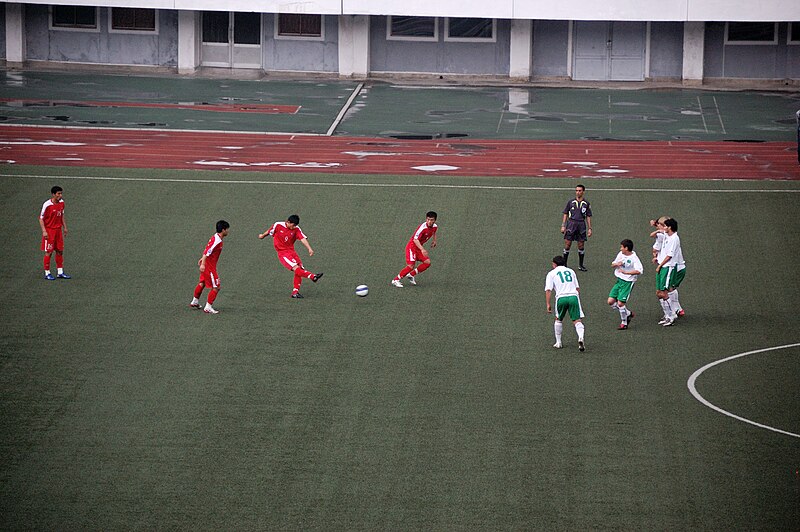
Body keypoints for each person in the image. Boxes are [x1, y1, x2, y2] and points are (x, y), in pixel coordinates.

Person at [259, 214, 322, 299]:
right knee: (296, 268)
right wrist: (262, 235)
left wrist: (309, 248)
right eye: (293, 225)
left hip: (292, 251)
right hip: (283, 253)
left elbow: (303, 238)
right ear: (288, 222)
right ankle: (312, 276)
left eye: (295, 225)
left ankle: (295, 292)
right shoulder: (278, 225)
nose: (294, 227)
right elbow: (269, 231)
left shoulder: (296, 229)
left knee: (300, 269)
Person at [545, 255, 586, 351]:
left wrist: (548, 304)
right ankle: (580, 337)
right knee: (577, 320)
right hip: (573, 296)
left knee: (558, 319)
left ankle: (558, 342)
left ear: (554, 264)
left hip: (561, 298)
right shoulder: (571, 271)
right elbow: (577, 288)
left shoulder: (551, 273)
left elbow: (548, 290)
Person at [190, 220, 230, 314]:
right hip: (209, 267)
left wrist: (202, 259)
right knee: (216, 286)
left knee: (202, 282)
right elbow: (208, 250)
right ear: (223, 230)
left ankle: (195, 301)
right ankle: (208, 307)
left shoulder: (215, 237)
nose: (228, 231)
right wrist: (203, 263)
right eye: (227, 229)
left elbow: (207, 249)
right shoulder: (217, 240)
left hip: (207, 264)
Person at [391, 211, 438, 288]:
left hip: (418, 248)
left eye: (431, 220)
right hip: (412, 247)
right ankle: (395, 280)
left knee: (427, 263)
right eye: (428, 219)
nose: (429, 221)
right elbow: (415, 240)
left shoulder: (435, 226)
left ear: (435, 220)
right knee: (410, 266)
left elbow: (434, 232)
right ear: (426, 219)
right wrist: (422, 249)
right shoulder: (422, 228)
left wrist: (434, 240)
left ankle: (411, 275)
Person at [655, 218, 686, 327]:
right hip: (663, 267)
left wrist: (660, 265)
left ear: (670, 227)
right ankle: (667, 315)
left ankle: (672, 314)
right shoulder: (667, 235)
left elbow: (670, 255)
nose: (663, 228)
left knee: (664, 292)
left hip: (668, 267)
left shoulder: (674, 239)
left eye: (665, 226)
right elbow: (656, 232)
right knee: (659, 293)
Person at [608, 239, 643, 330]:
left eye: (622, 247)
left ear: (626, 248)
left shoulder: (634, 258)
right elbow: (612, 264)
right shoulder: (621, 254)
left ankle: (624, 322)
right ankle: (628, 313)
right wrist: (617, 264)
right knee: (610, 302)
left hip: (628, 282)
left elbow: (639, 271)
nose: (620, 249)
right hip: (619, 280)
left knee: (620, 303)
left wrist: (626, 272)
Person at [39, 185, 70, 280]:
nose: (60, 196)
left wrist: (65, 227)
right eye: (58, 194)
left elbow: (62, 215)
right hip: (49, 231)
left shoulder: (62, 203)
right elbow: (41, 218)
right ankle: (47, 273)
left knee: (60, 251)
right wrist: (44, 231)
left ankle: (60, 272)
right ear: (53, 194)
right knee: (49, 252)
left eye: (61, 193)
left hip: (58, 231)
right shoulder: (47, 205)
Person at [561, 184, 592, 271]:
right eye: (576, 190)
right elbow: (565, 213)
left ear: (583, 192)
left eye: (580, 191)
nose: (578, 192)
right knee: (567, 244)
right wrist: (563, 225)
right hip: (571, 224)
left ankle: (581, 265)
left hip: (581, 225)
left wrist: (590, 228)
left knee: (581, 245)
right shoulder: (570, 202)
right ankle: (564, 265)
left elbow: (588, 216)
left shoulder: (586, 203)